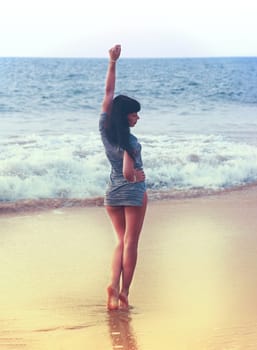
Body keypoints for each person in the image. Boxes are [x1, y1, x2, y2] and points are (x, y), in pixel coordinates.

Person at [99, 44, 147, 310]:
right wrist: (136, 179)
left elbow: (108, 93)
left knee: (120, 240)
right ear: (125, 115)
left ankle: (111, 284)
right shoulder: (127, 141)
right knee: (131, 243)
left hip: (112, 194)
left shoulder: (105, 128)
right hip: (131, 193)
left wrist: (112, 62)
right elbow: (129, 172)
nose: (137, 117)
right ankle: (124, 293)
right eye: (134, 113)